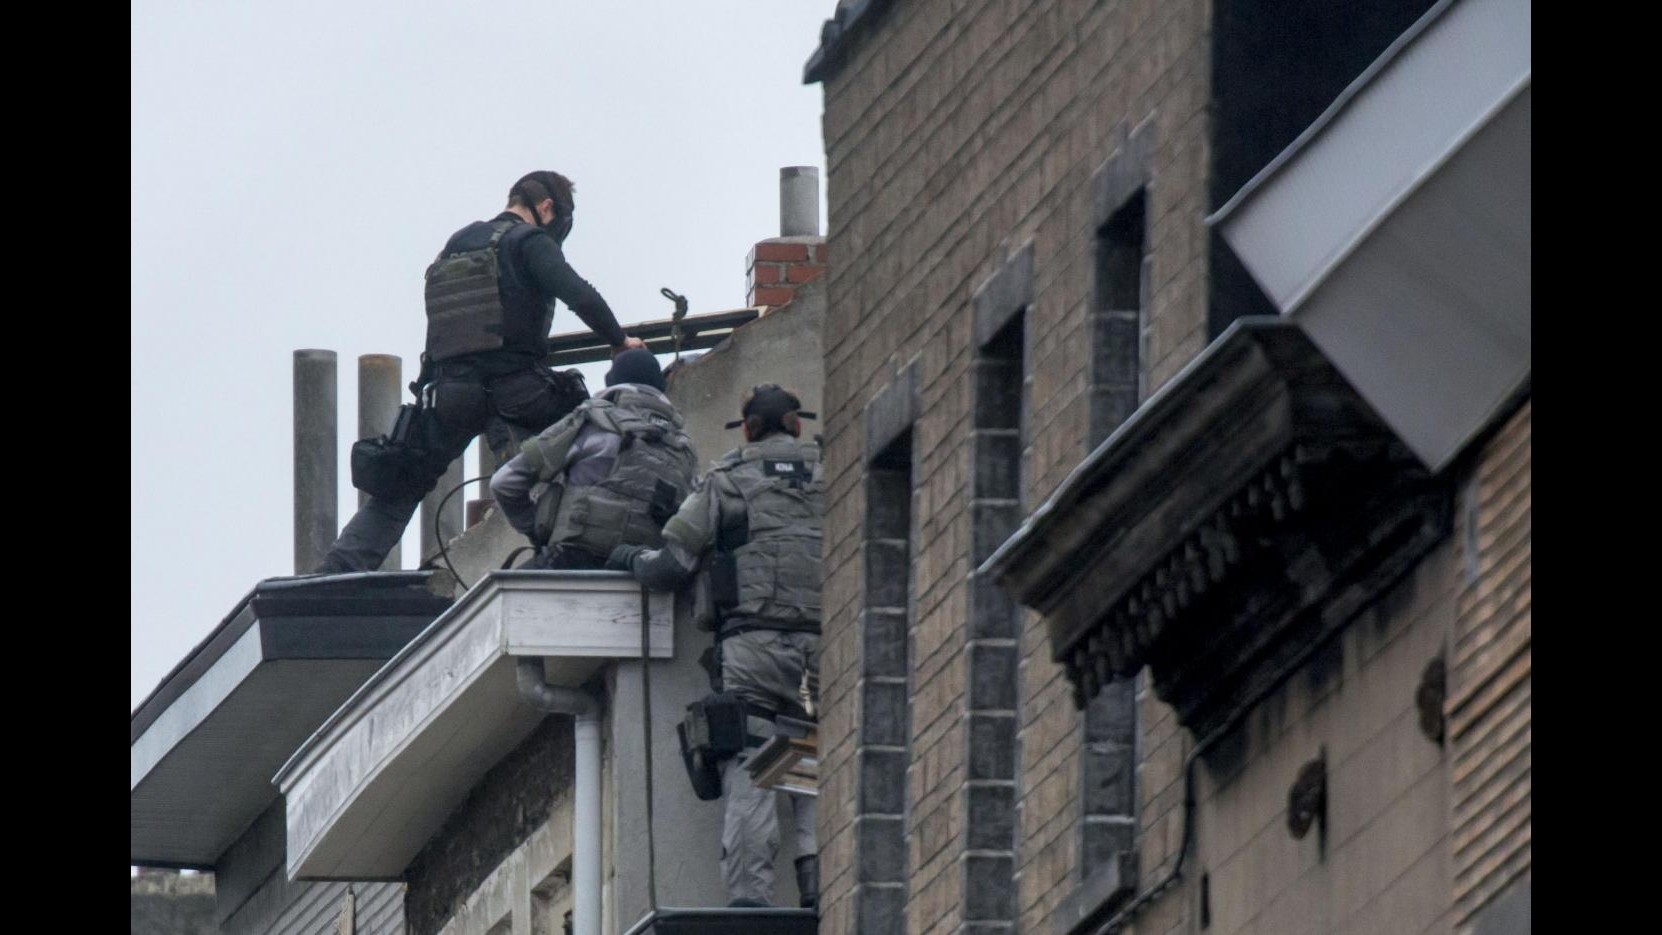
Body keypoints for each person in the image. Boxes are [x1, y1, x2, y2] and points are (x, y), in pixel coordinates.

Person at [315, 170, 645, 574]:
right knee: (577, 459)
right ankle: (580, 564)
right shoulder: (529, 242)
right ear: (547, 209)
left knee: (399, 490)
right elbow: (578, 293)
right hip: (516, 391)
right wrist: (617, 340)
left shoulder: (457, 243)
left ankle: (331, 577)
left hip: (447, 395)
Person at [608, 384, 823, 910]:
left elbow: (671, 565)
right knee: (818, 762)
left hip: (753, 649)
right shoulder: (834, 477)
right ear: (797, 425)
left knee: (754, 764)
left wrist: (629, 557)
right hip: (826, 650)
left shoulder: (726, 483)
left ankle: (750, 904)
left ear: (747, 430)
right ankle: (825, 895)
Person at [490, 348, 698, 569]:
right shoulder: (684, 448)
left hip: (570, 561)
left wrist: (537, 530)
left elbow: (504, 482)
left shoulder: (593, 420)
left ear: (613, 382)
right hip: (642, 575)